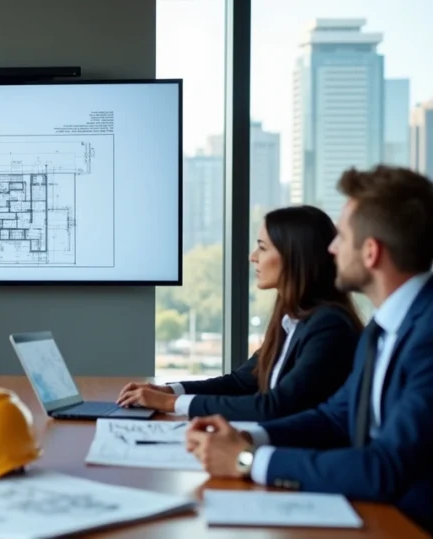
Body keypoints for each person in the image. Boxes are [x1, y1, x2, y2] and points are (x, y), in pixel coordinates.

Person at [185, 165, 433, 533]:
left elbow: (384, 467)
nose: (331, 248)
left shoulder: (426, 336)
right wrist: (249, 438)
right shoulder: (382, 330)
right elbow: (334, 417)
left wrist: (248, 460)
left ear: (370, 252)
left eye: (342, 237)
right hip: (373, 515)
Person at [116, 205, 364, 421]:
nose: (252, 257)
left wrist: (170, 404)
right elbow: (241, 382)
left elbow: (276, 407)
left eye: (263, 248)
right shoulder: (292, 320)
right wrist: (169, 391)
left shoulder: (329, 326)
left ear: (294, 258)